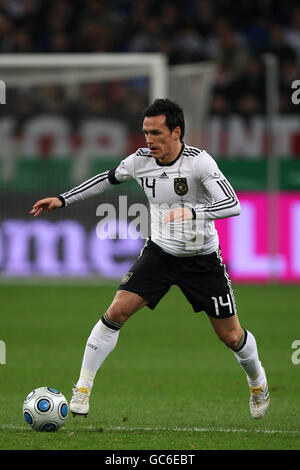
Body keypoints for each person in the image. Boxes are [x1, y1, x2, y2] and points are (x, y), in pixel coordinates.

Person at [30, 98, 269, 419]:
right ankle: (82, 389)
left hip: (202, 259)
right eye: (145, 132)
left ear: (176, 132)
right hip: (159, 254)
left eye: (156, 132)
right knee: (116, 311)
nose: (149, 139)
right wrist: (62, 199)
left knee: (231, 336)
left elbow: (232, 203)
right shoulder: (139, 160)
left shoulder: (200, 162)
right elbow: (105, 178)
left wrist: (193, 211)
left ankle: (257, 381)